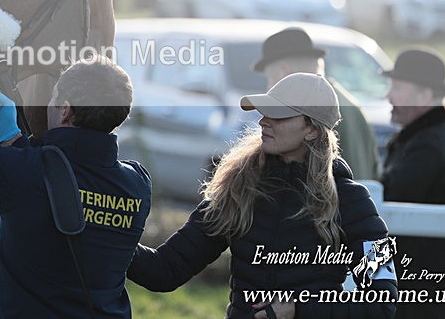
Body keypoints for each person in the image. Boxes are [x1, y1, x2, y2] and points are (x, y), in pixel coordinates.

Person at [0, 22, 151, 318]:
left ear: (65, 109)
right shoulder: (137, 184)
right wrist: (13, 140)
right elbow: (60, 183)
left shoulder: (25, 174)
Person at [128, 73, 397, 319]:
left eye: (279, 115)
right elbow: (165, 270)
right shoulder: (237, 187)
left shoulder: (353, 201)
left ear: (312, 129)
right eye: (265, 112)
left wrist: (298, 309)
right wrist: (105, 237)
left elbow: (383, 302)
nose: (263, 121)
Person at [380, 47, 445, 319]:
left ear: (423, 94)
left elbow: (384, 208)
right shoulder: (438, 137)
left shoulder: (430, 145)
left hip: (421, 298)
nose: (389, 96)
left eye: (397, 87)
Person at [252, 26, 380, 180]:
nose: (269, 88)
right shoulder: (352, 106)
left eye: (270, 79)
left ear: (283, 71)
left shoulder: (317, 111)